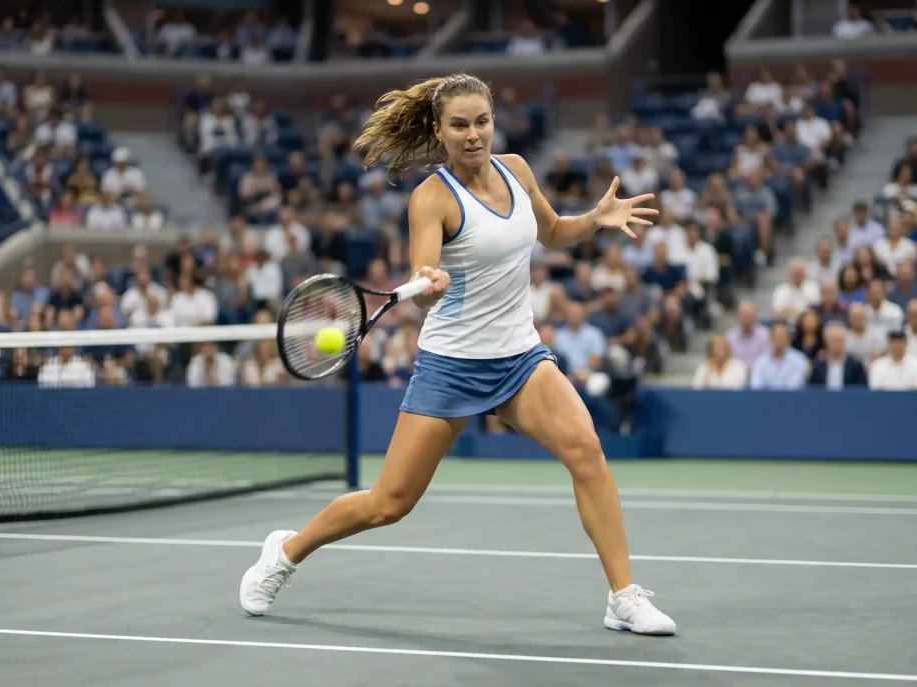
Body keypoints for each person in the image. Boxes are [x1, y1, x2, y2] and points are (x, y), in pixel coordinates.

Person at [238, 73, 674, 635]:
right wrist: (431, 284)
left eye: (482, 122)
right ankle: (287, 551)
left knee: (587, 450)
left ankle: (623, 597)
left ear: (495, 121)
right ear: (439, 132)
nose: (474, 135)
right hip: (453, 365)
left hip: (520, 356)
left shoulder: (516, 170)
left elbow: (553, 232)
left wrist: (594, 220)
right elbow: (425, 276)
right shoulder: (432, 198)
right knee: (389, 504)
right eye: (460, 126)